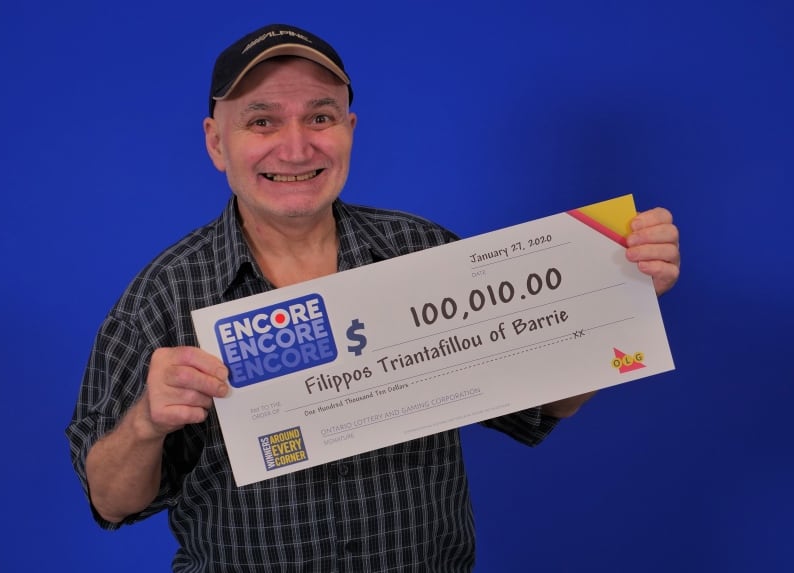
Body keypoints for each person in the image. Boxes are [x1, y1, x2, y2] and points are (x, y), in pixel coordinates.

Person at [66, 23, 681, 572]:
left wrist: (619, 295)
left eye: (320, 117)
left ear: (349, 130)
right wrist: (146, 423)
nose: (296, 148)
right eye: (261, 122)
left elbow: (541, 406)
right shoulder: (164, 296)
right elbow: (111, 501)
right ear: (216, 142)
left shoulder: (423, 254)